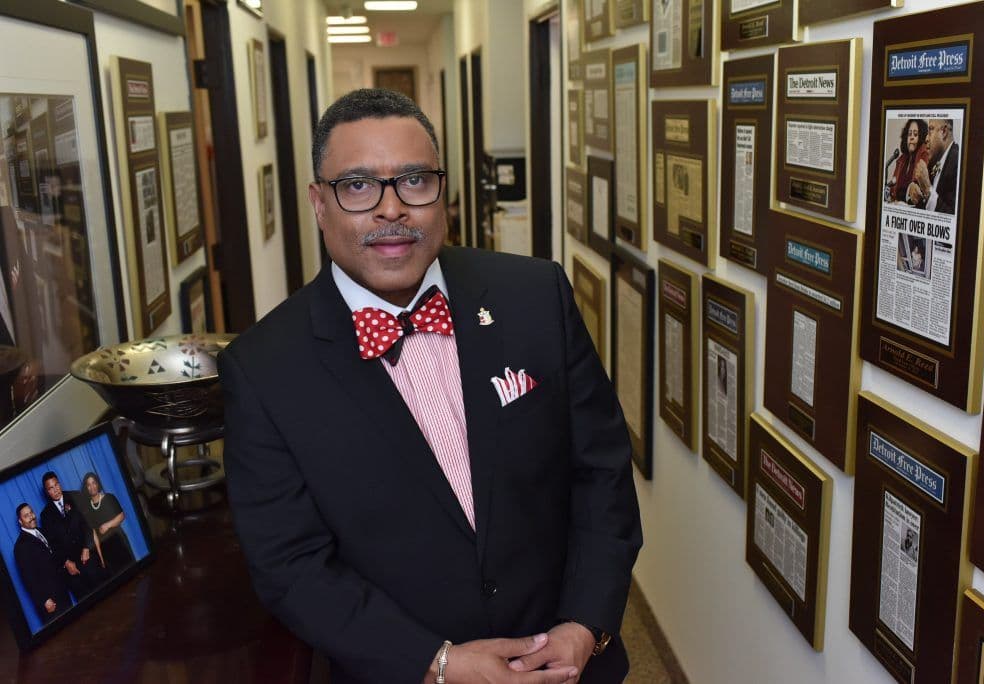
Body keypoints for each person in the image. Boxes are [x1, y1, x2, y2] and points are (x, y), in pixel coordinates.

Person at [221, 88, 642, 684]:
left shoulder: (535, 296)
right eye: (359, 185)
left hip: (568, 665)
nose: (392, 210)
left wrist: (584, 625)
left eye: (414, 180)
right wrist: (436, 664)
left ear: (443, 193)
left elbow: (601, 470)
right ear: (319, 203)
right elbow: (291, 566)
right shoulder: (263, 370)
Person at [39, 471, 105, 599]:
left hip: (88, 556)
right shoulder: (45, 515)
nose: (55, 490)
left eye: (56, 485)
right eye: (51, 488)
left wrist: (87, 547)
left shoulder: (76, 496)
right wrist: (66, 562)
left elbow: (87, 524)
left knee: (103, 590)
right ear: (47, 492)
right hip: (71, 567)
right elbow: (52, 544)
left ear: (60, 483)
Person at [13, 503, 72, 623]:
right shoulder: (20, 546)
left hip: (62, 590)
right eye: (26, 516)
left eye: (31, 513)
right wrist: (44, 600)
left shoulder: (41, 531)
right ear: (20, 521)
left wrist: (66, 562)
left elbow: (53, 554)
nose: (31, 517)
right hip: (50, 601)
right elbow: (28, 578)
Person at [79, 472, 133, 576]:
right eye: (88, 484)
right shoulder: (87, 508)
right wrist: (101, 558)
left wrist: (107, 525)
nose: (92, 486)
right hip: (105, 548)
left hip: (119, 542)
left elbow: (121, 516)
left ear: (98, 484)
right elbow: (94, 534)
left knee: (131, 569)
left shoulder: (109, 498)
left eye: (94, 483)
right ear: (86, 488)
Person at [908, 118, 959, 214]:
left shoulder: (958, 161)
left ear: (943, 132)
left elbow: (952, 217)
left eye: (930, 130)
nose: (926, 138)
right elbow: (924, 204)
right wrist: (914, 189)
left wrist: (927, 190)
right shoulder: (934, 161)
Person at [885, 118, 929, 204]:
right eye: (909, 134)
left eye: (915, 134)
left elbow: (918, 190)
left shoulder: (923, 153)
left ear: (921, 137)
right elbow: (893, 188)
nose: (911, 137)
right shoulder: (901, 159)